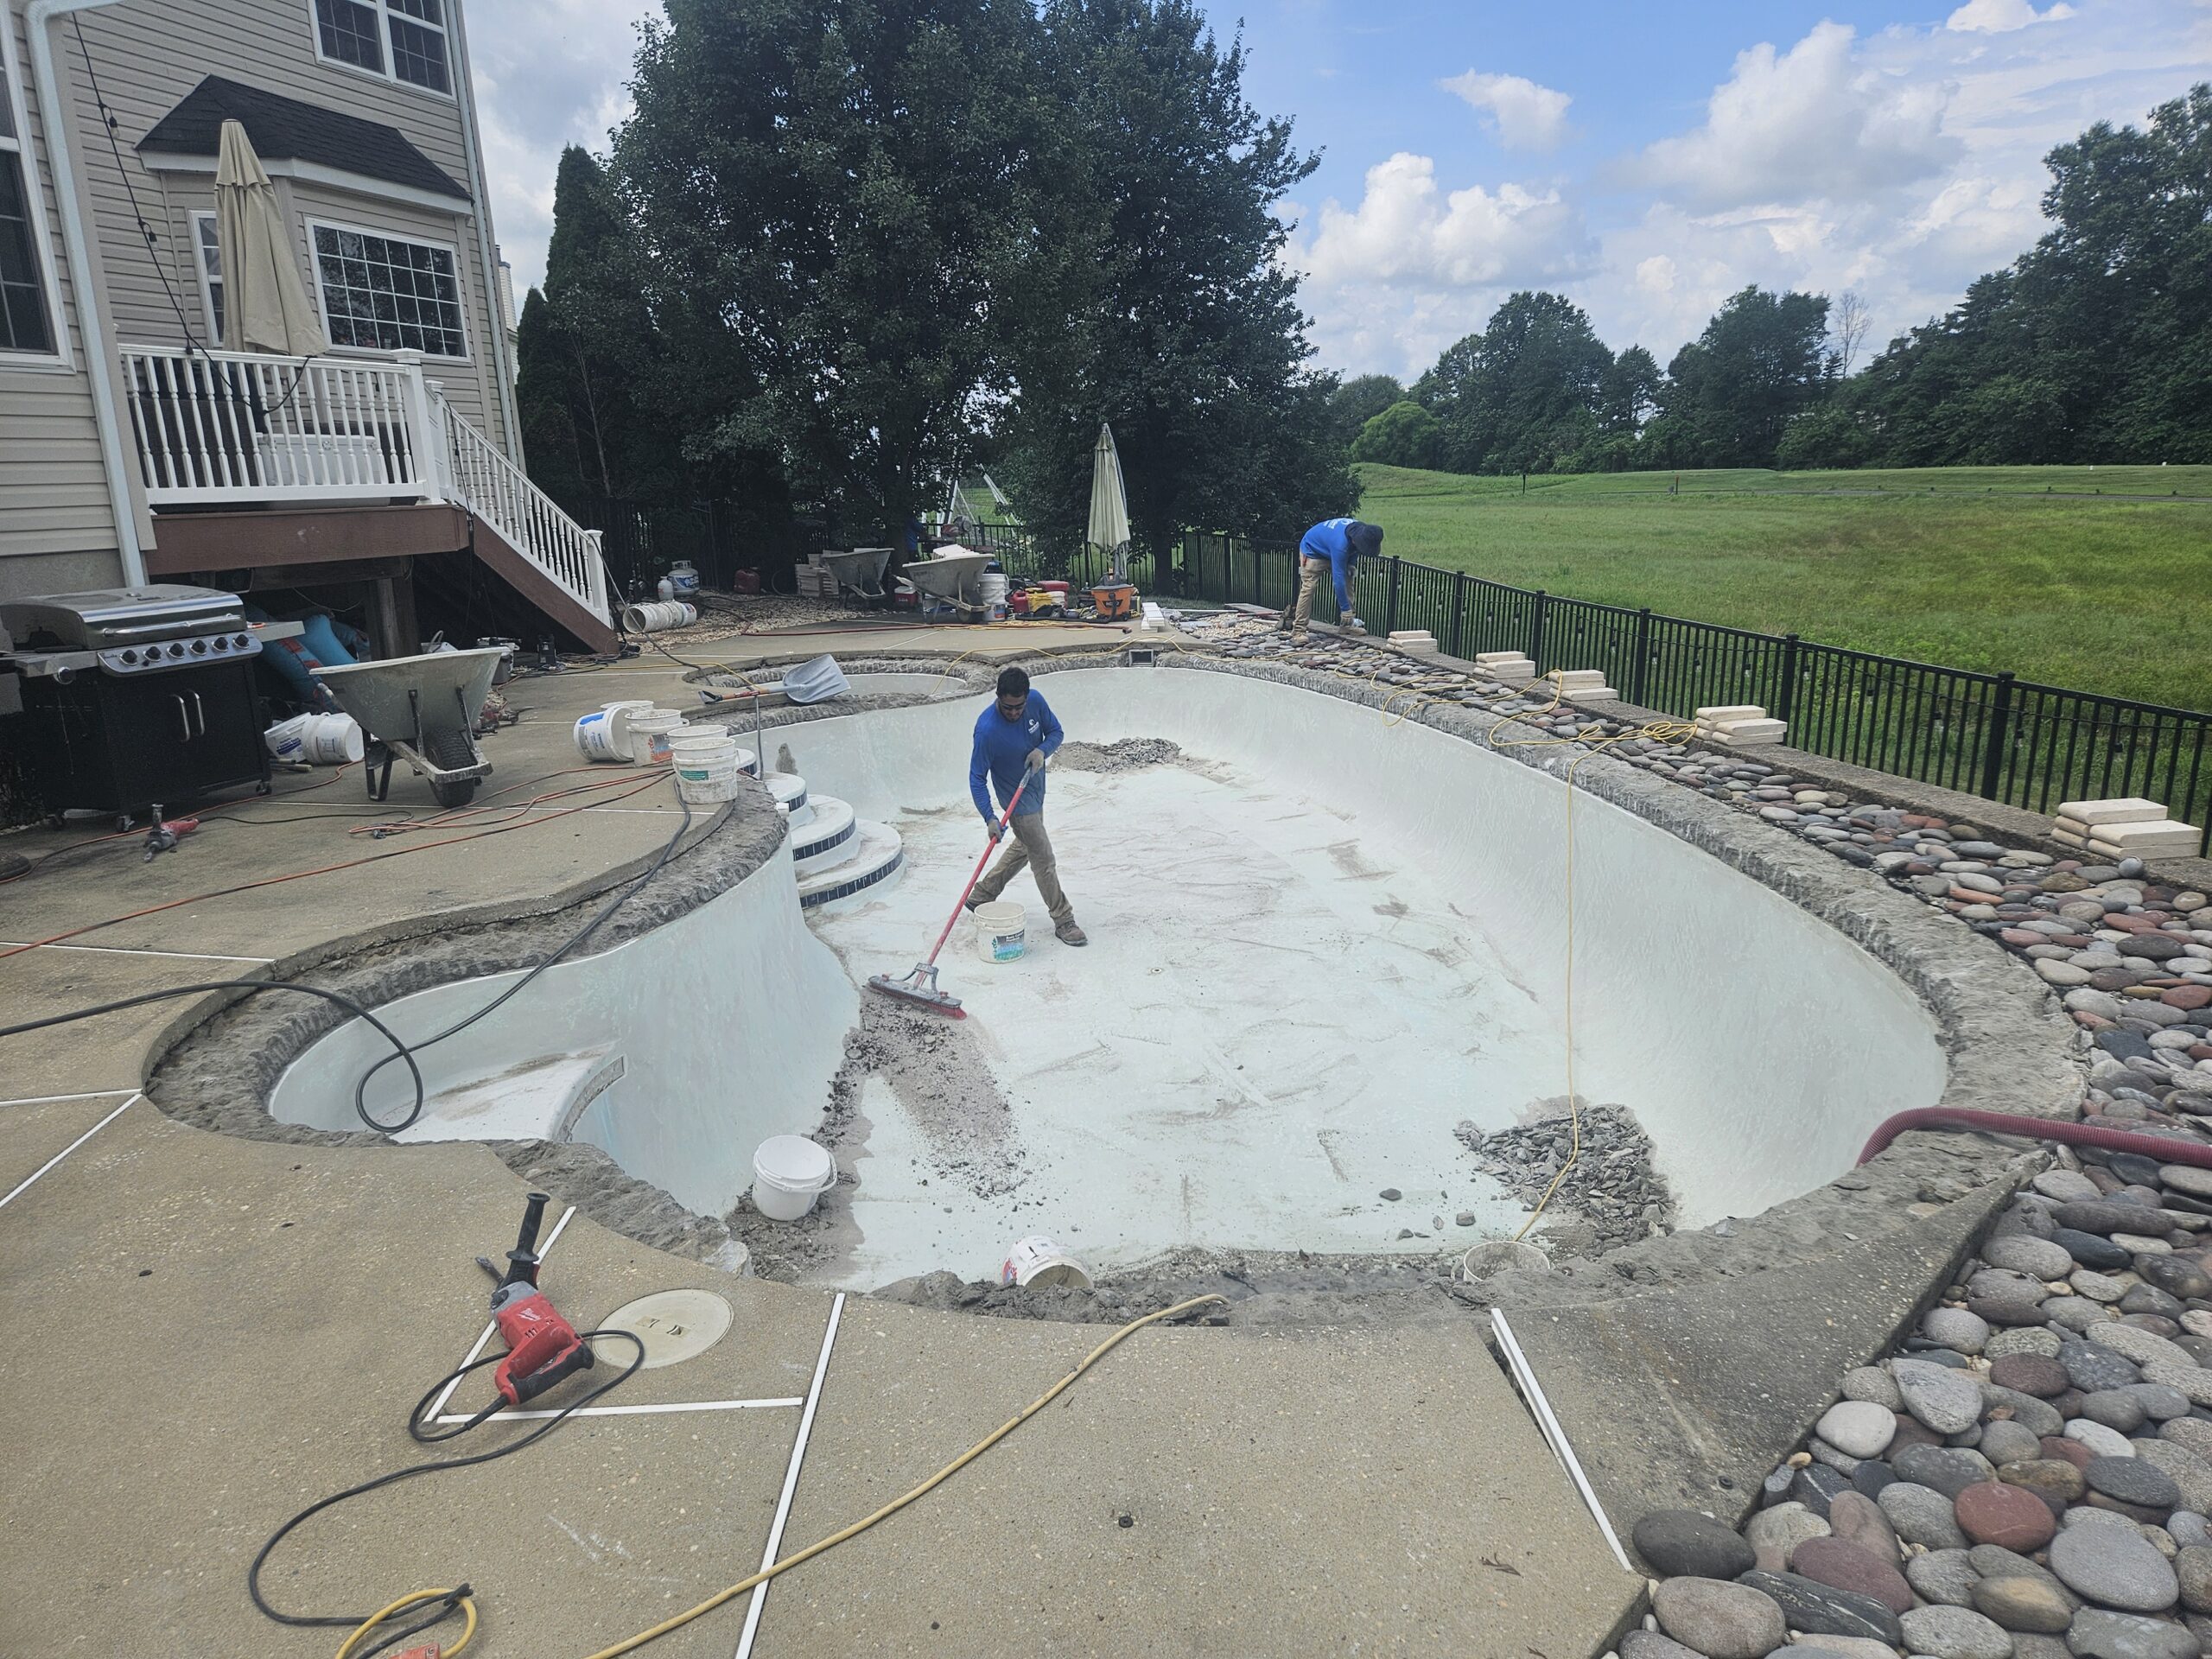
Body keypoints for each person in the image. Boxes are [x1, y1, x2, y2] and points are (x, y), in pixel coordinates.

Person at [965, 666, 1085, 945]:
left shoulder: (1036, 702)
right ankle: (1063, 919)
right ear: (998, 698)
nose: (1014, 713)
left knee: (1025, 846)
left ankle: (982, 893)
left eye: (1019, 707)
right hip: (1015, 801)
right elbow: (977, 778)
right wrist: (989, 818)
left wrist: (1042, 750)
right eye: (1008, 708)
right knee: (1043, 857)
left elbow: (1056, 732)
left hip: (1035, 788)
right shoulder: (987, 731)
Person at [1284, 518, 1383, 640]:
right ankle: (1298, 630)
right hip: (1313, 551)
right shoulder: (1340, 544)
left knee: (1348, 581)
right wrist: (1345, 609)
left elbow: (1357, 549)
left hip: (1330, 548)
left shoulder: (1361, 532)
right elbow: (1338, 580)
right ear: (1355, 540)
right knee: (1309, 587)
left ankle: (1347, 626)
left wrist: (1351, 564)